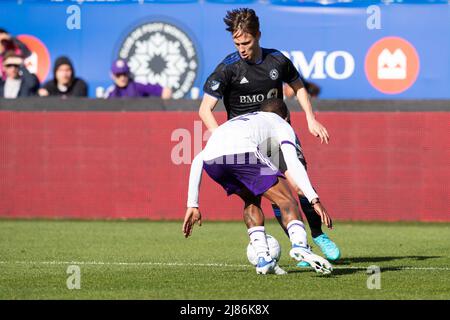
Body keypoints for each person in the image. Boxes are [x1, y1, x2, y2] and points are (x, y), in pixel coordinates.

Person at [198, 8, 340, 265]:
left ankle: (318, 235)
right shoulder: (228, 69)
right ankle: (301, 246)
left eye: (247, 42)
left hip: (277, 134)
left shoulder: (277, 61)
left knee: (299, 183)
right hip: (248, 146)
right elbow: (205, 109)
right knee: (272, 192)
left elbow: (299, 87)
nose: (242, 48)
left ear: (258, 35)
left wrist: (310, 118)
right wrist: (221, 137)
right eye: (237, 43)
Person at [183, 99, 333, 275]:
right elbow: (293, 163)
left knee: (251, 200)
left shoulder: (239, 122)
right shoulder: (281, 123)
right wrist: (313, 198)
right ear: (287, 116)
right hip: (243, 153)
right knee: (286, 200)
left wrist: (192, 204)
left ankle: (263, 259)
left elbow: (197, 159)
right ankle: (301, 246)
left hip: (213, 163)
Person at [105, 59, 172, 99]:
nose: (122, 78)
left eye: (125, 74)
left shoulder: (138, 86)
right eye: (118, 75)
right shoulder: (110, 92)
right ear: (112, 75)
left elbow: (166, 91)